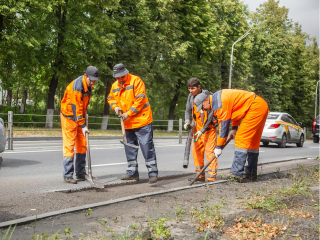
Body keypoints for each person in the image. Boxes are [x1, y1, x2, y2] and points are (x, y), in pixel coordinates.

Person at [194, 89, 269, 182]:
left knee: (241, 139)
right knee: (253, 143)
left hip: (254, 107)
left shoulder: (219, 105)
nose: (203, 109)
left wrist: (218, 147)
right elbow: (235, 111)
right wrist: (234, 128)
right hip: (259, 105)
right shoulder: (217, 98)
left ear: (206, 100)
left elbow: (223, 130)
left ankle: (236, 173)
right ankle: (251, 172)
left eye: (202, 106)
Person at [107, 63, 158, 184]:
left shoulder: (136, 81)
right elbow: (110, 98)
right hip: (127, 122)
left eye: (121, 77)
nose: (119, 79)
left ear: (126, 73)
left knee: (147, 147)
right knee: (129, 148)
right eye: (117, 77)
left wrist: (127, 114)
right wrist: (115, 108)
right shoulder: (115, 85)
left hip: (142, 120)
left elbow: (140, 101)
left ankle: (152, 173)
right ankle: (132, 173)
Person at [60, 66, 99, 184]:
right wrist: (83, 126)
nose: (92, 82)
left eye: (94, 80)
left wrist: (83, 119)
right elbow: (76, 107)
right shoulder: (77, 87)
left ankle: (81, 173)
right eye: (91, 80)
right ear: (85, 76)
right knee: (69, 145)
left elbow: (83, 105)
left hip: (80, 116)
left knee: (82, 144)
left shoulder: (89, 85)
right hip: (69, 116)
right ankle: (68, 175)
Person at [184, 78, 218, 182]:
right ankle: (200, 175)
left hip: (209, 129)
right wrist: (187, 121)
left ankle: (212, 176)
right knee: (197, 152)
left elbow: (211, 116)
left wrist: (202, 130)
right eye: (189, 88)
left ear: (199, 87)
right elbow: (188, 110)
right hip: (196, 129)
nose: (191, 91)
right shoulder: (190, 96)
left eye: (193, 88)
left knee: (210, 152)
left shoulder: (208, 97)